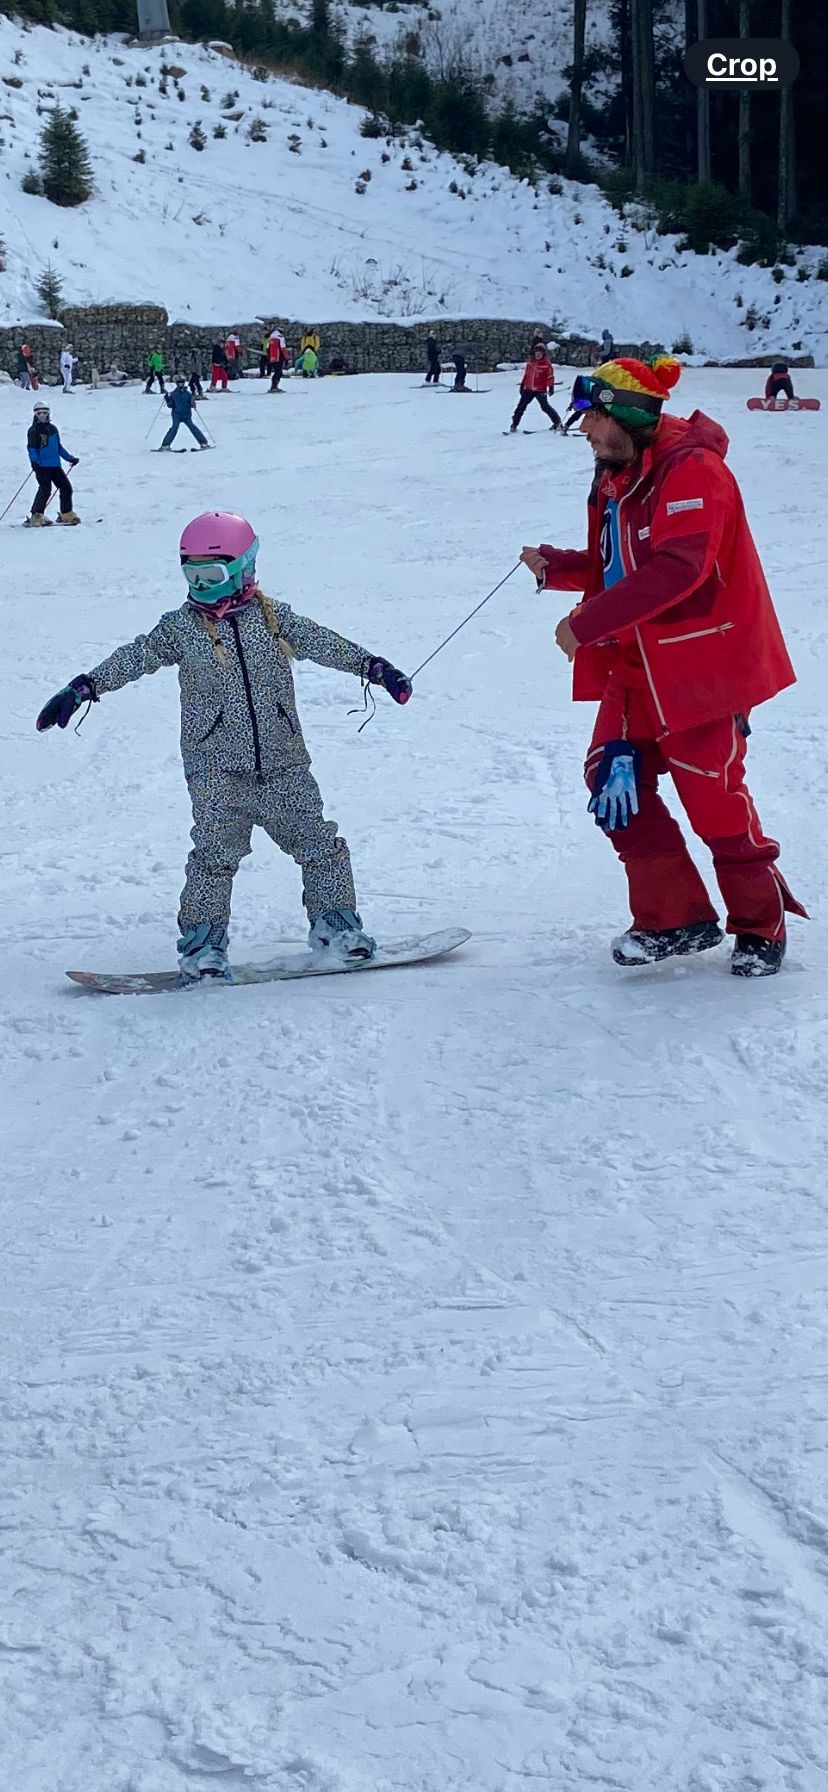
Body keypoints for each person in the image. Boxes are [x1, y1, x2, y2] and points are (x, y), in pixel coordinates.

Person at [35, 512, 413, 985]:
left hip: (283, 763)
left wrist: (375, 667)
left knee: (322, 848)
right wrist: (84, 686)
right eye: (191, 573)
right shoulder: (180, 628)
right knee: (214, 859)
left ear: (243, 568)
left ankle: (336, 928)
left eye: (210, 574)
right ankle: (203, 947)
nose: (201, 584)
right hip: (215, 769)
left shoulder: (275, 619)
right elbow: (135, 656)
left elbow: (324, 643)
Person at [521, 353, 805, 978]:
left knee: (716, 805)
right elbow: (619, 565)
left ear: (627, 413)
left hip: (702, 670)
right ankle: (674, 918)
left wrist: (583, 623)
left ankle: (761, 925)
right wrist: (559, 568)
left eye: (592, 418)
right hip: (634, 666)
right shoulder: (614, 471)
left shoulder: (694, 471)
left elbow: (679, 569)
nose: (585, 432)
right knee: (612, 786)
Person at [25, 401, 80, 527]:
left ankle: (66, 514)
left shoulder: (53, 429)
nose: (42, 415)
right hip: (41, 466)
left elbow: (58, 448)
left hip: (55, 465)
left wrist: (70, 458)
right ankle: (36, 515)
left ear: (48, 413)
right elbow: (32, 448)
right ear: (35, 414)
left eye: (44, 412)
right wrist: (34, 462)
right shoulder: (33, 430)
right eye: (38, 413)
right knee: (45, 489)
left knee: (66, 488)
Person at [509, 343, 562, 433]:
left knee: (545, 407)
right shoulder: (530, 362)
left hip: (540, 390)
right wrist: (522, 385)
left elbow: (550, 377)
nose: (538, 354)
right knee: (520, 407)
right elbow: (526, 375)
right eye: (537, 352)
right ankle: (514, 425)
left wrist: (551, 387)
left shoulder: (546, 364)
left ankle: (558, 423)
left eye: (540, 353)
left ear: (543, 354)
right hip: (528, 389)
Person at [157, 375, 210, 451]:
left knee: (193, 427)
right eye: (179, 383)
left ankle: (204, 443)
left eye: (182, 382)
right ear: (176, 383)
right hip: (177, 415)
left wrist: (193, 403)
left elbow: (192, 405)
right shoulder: (174, 394)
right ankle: (165, 445)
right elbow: (171, 405)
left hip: (186, 415)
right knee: (174, 428)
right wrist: (168, 400)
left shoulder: (188, 394)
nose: (181, 384)